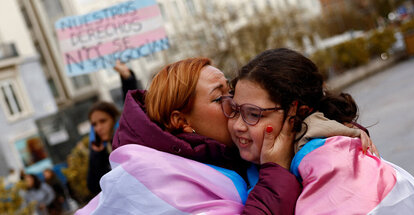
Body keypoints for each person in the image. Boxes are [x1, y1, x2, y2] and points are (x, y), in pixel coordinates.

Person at [77, 58, 302, 214]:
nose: (235, 103)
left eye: (230, 91)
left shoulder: (219, 158)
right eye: (218, 98)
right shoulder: (156, 177)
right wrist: (276, 171)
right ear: (181, 121)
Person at [225, 48, 414, 214]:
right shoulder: (264, 160)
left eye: (253, 114)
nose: (237, 125)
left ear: (297, 114)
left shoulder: (333, 164)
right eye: (234, 110)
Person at [86, 60, 138, 195]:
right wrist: (96, 155)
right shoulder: (99, 150)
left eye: (103, 121)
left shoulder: (126, 137)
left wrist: (126, 76)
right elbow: (94, 188)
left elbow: (131, 105)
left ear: (114, 119)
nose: (98, 128)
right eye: (94, 124)